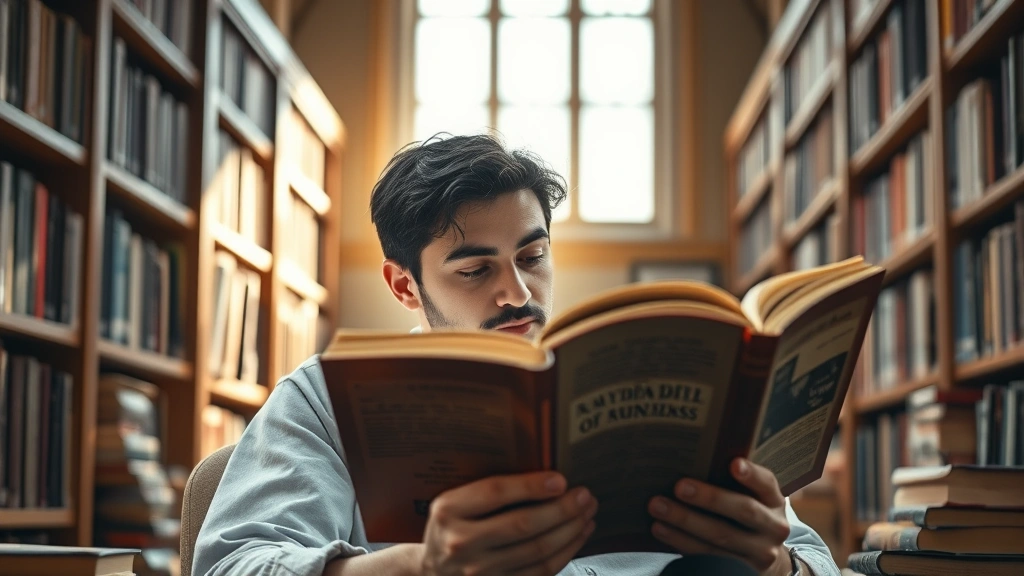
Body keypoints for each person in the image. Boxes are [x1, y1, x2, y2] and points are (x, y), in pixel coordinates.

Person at [193, 134, 843, 576]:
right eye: (475, 271)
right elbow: (231, 565)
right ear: (403, 286)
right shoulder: (328, 397)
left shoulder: (674, 375)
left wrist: (779, 563)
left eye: (532, 258)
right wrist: (418, 566)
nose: (517, 294)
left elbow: (818, 561)